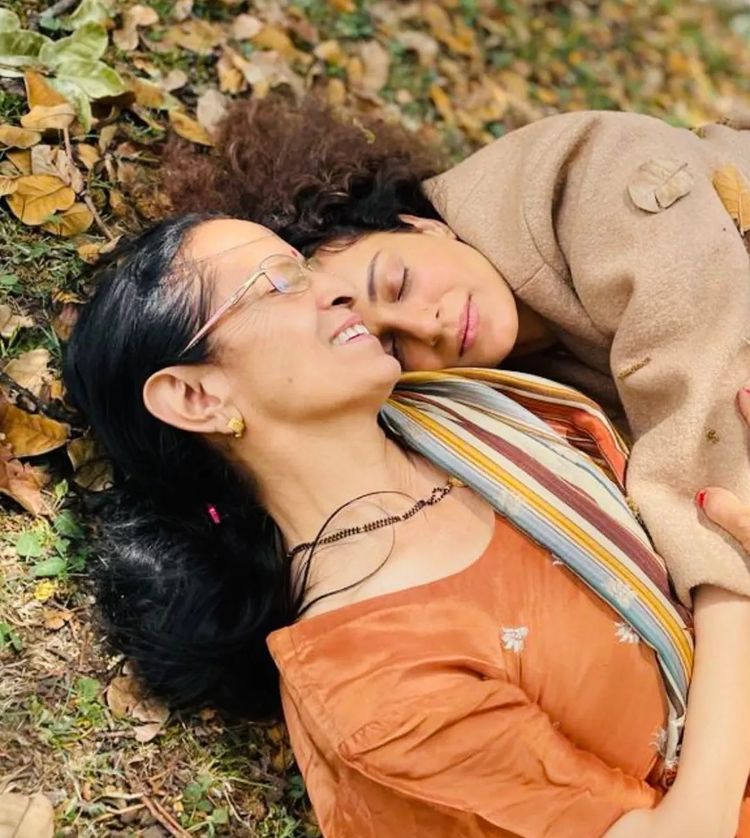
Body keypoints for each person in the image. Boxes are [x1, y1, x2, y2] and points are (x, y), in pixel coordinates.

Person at [64, 214, 750, 837]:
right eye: (275, 284)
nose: (333, 292)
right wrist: (735, 579)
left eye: (305, 269)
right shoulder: (375, 684)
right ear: (197, 397)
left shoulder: (469, 411)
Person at [163, 96, 750, 613]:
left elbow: (707, 397)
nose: (429, 325)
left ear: (422, 227)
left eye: (396, 284)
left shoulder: (589, 171)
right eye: (392, 343)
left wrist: (722, 596)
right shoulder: (501, 395)